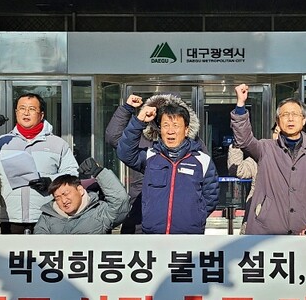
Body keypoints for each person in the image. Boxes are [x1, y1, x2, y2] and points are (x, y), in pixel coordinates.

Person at [231, 84, 306, 238]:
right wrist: (240, 105)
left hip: (304, 234)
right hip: (264, 233)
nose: (290, 118)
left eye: (295, 114)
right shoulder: (265, 148)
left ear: (304, 120)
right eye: (285, 115)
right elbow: (244, 140)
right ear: (278, 121)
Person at [0, 93, 78, 233]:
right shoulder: (2, 142)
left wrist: (50, 182)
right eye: (22, 108)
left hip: (48, 216)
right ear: (16, 113)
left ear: (41, 115)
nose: (26, 112)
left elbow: (72, 174)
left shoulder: (58, 144)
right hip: (11, 217)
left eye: (32, 109)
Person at [117, 94, 219, 234]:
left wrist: (195, 218)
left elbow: (211, 197)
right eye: (166, 125)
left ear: (186, 130)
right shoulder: (151, 156)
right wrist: (139, 120)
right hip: (153, 235)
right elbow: (125, 152)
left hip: (189, 238)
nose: (170, 131)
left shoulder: (202, 160)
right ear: (160, 130)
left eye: (176, 126)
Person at [34, 158, 130, 234]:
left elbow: (120, 202)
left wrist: (99, 172)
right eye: (57, 197)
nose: (63, 201)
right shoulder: (47, 217)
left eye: (65, 194)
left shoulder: (99, 212)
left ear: (80, 190)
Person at [104, 94, 149, 234]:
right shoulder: (140, 137)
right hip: (139, 208)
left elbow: (207, 186)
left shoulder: (190, 142)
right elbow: (113, 137)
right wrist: (127, 108)